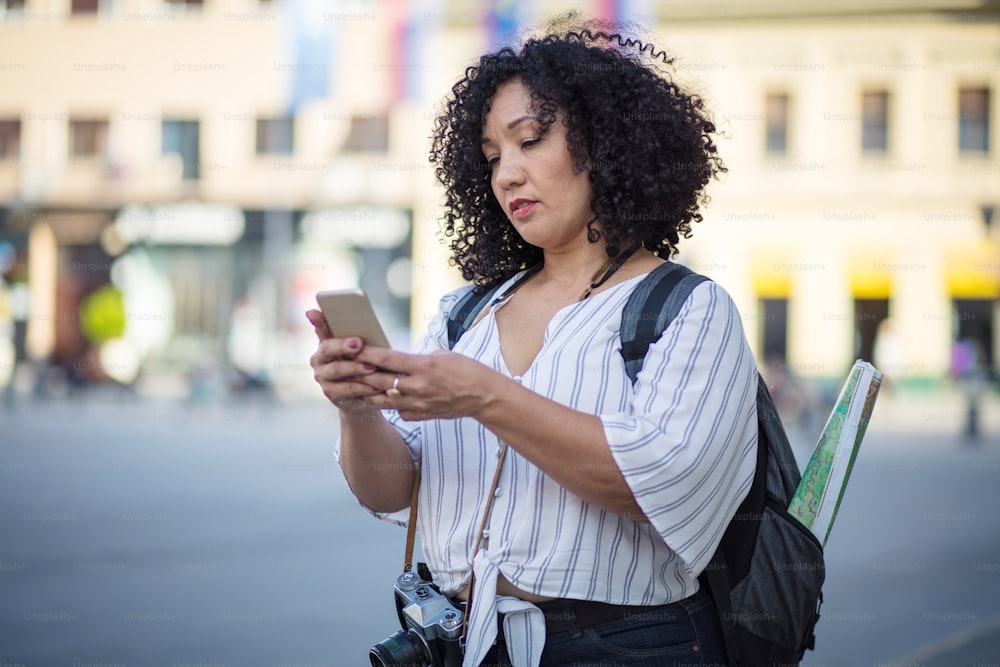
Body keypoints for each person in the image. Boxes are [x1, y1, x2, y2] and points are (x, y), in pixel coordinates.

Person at [308, 21, 757, 667]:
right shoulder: (466, 312)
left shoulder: (686, 307)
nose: (507, 174)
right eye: (492, 157)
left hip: (627, 646)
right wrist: (357, 408)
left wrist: (488, 395)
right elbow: (390, 490)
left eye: (530, 139)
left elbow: (657, 482)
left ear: (608, 144)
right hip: (466, 639)